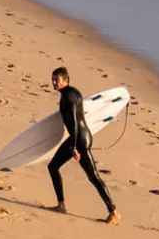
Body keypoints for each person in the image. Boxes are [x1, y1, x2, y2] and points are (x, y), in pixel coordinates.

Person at [47, 66, 118, 223]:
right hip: (81, 137)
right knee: (92, 176)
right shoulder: (72, 92)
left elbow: (74, 124)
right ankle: (112, 211)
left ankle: (112, 211)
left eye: (56, 79)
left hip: (79, 139)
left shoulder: (68, 97)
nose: (53, 82)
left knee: (90, 175)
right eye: (52, 79)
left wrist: (74, 148)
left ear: (66, 80)